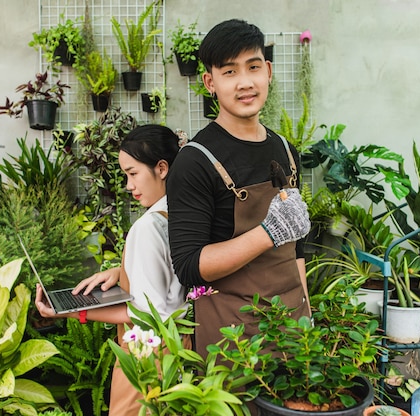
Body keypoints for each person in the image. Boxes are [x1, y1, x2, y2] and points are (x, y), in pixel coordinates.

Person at [167, 19, 312, 358]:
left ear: (269, 72)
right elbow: (189, 265)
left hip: (293, 329)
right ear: (210, 82)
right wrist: (268, 232)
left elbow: (297, 249)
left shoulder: (286, 151)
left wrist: (308, 317)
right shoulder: (194, 162)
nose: (245, 82)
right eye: (229, 72)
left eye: (253, 67)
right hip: (234, 343)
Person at [35, 124, 187, 416]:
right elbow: (171, 277)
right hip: (176, 349)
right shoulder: (181, 215)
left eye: (133, 173)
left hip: (144, 358)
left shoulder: (148, 227)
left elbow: (142, 314)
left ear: (162, 168)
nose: (128, 185)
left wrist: (67, 311)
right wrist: (122, 271)